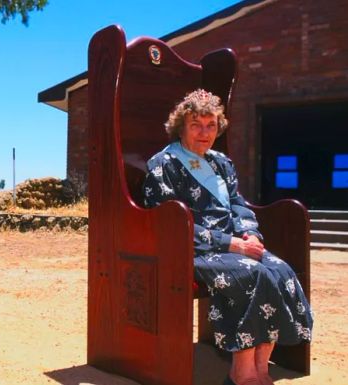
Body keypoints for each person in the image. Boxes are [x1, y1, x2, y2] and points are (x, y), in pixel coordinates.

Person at [142, 89, 313, 385]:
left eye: (211, 125)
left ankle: (260, 369)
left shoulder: (221, 162)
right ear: (181, 126)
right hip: (190, 248)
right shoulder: (163, 164)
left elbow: (237, 203)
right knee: (252, 275)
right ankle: (240, 372)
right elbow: (167, 222)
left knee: (280, 270)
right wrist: (231, 244)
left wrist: (250, 233)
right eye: (196, 125)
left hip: (235, 244)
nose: (204, 133)